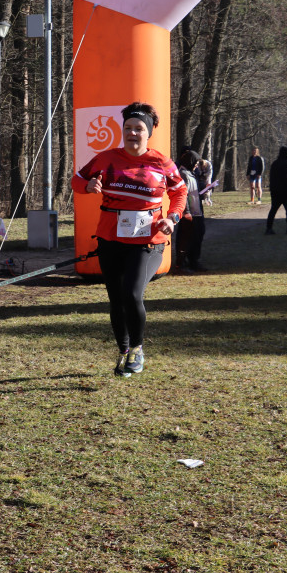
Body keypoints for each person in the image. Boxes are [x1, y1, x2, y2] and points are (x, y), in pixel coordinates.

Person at [72, 102, 187, 378]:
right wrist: (88, 186)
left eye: (139, 128)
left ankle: (137, 349)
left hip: (148, 240)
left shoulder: (161, 162)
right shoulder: (106, 158)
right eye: (128, 128)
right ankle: (123, 351)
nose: (132, 133)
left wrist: (172, 218)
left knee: (132, 294)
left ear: (148, 133)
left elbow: (180, 192)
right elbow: (77, 180)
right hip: (110, 239)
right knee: (116, 298)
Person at [176, 150, 206, 272]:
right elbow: (183, 195)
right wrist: (186, 212)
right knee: (185, 239)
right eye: (196, 163)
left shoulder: (190, 173)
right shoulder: (183, 174)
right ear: (190, 161)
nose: (196, 166)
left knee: (197, 236)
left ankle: (194, 261)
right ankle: (181, 264)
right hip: (188, 213)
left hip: (196, 211)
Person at [265, 146, 287, 235]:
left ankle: (269, 228)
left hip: (275, 190)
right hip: (286, 191)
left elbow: (272, 178)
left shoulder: (274, 164)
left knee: (273, 210)